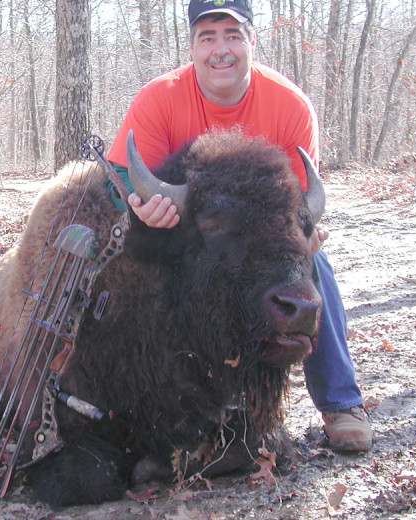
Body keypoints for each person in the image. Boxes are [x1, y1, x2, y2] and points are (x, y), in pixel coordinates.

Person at [104, 0, 372, 451]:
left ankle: (340, 400)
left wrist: (304, 236)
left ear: (251, 41)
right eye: (207, 37)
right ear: (191, 46)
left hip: (263, 240)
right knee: (131, 266)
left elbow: (299, 206)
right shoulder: (159, 99)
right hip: (187, 231)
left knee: (311, 265)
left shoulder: (290, 105)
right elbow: (120, 184)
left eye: (232, 35)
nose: (220, 50)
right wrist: (141, 211)